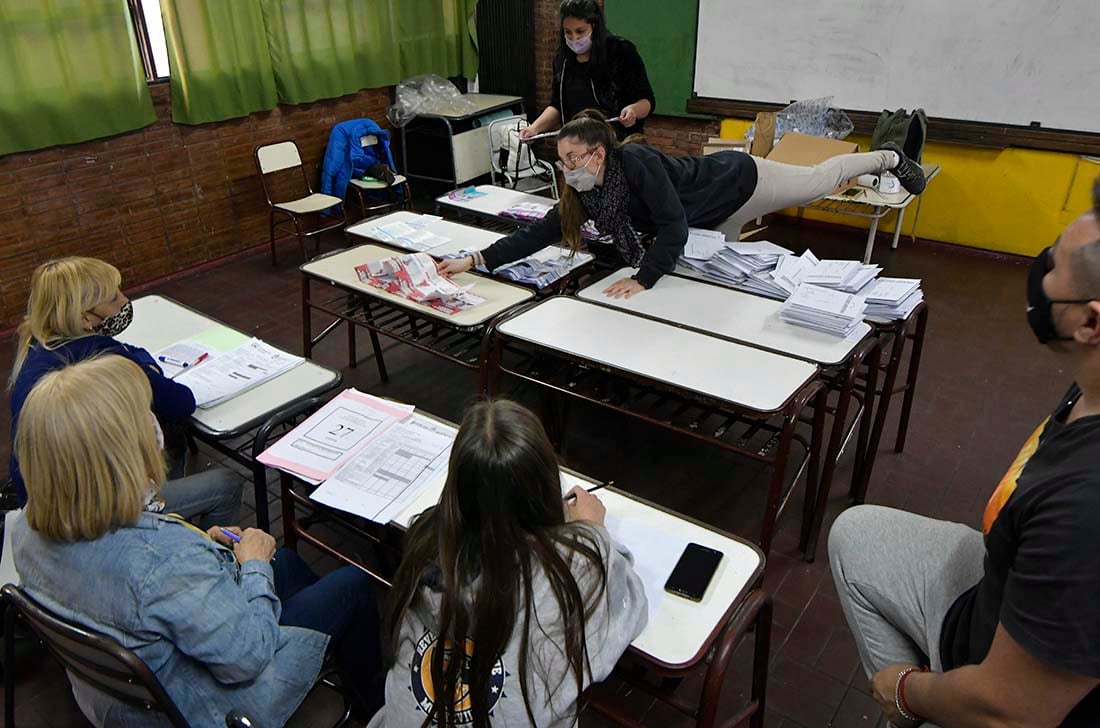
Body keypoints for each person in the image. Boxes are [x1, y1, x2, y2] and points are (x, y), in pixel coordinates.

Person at [828, 205, 1100, 727]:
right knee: (856, 534)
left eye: (1056, 264)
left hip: (1003, 681)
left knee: (935, 701)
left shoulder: (1084, 510)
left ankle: (927, 711)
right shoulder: (1093, 383)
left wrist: (909, 690)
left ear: (1090, 321)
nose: (1040, 270)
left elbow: (1015, 712)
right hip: (992, 597)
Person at [11, 355, 382, 726]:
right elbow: (248, 657)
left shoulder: (27, 529)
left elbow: (132, 579)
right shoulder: (164, 562)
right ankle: (375, 707)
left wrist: (204, 549)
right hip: (209, 704)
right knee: (352, 585)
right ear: (121, 455)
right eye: (143, 417)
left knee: (285, 564)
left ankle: (334, 656)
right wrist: (250, 565)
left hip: (122, 695)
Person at [368, 400, 647, 727]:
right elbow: (630, 605)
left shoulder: (425, 541)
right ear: (545, 487)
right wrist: (592, 530)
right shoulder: (573, 565)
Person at [439, 111, 926, 298]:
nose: (566, 169)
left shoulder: (637, 163)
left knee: (819, 182)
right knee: (726, 291)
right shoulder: (587, 190)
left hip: (741, 184)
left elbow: (671, 229)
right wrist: (474, 260)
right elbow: (540, 231)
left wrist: (642, 277)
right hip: (708, 219)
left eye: (573, 159)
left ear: (598, 153)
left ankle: (886, 157)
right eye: (562, 161)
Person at [7, 256, 241, 530]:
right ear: (85, 318)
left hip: (42, 500)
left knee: (169, 433)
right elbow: (181, 401)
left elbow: (131, 353)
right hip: (90, 514)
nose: (124, 301)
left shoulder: (36, 345)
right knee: (227, 483)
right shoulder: (102, 355)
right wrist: (148, 367)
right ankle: (183, 537)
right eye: (113, 298)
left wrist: (138, 360)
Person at [519, 0, 655, 142]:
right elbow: (557, 106)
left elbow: (647, 101)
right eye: (567, 32)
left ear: (594, 26)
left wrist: (633, 110)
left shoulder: (620, 51)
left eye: (580, 31)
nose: (574, 38)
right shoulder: (562, 60)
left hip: (618, 143)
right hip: (578, 145)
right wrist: (534, 129)